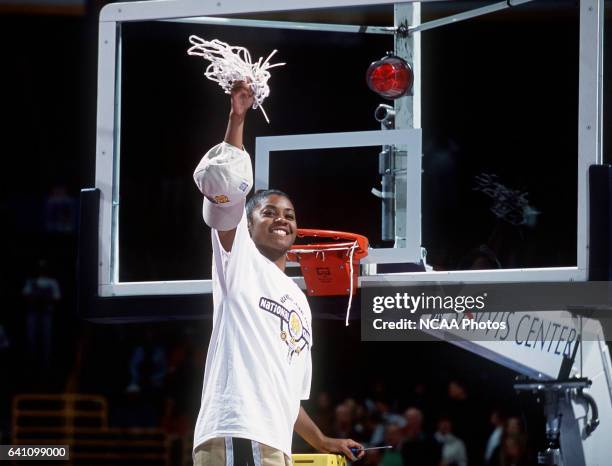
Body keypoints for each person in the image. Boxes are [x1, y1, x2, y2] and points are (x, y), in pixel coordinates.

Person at [192, 81, 364, 466]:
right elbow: (227, 186)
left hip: (270, 441)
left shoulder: (298, 300)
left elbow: (287, 392)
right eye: (268, 212)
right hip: (238, 431)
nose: (281, 219)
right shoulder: (238, 260)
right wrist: (238, 118)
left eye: (288, 215)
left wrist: (322, 440)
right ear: (247, 225)